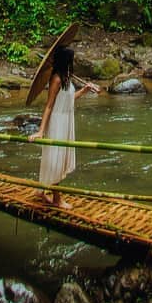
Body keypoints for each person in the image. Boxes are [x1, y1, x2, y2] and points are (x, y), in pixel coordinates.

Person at [31, 45, 97, 207]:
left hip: (67, 120)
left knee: (59, 157)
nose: (73, 62)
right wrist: (41, 131)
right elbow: (49, 105)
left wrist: (85, 89)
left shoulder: (66, 77)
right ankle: (57, 199)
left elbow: (69, 99)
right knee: (56, 159)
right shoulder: (56, 79)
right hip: (57, 122)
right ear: (65, 61)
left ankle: (40, 190)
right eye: (70, 60)